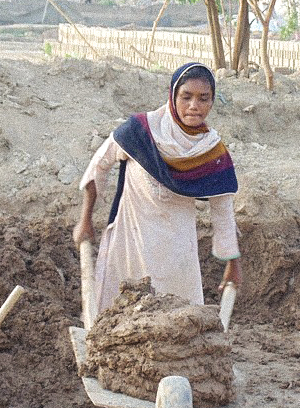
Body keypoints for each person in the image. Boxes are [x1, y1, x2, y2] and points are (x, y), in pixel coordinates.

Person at [72, 62, 243, 315]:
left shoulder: (211, 151)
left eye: (203, 98)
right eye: (186, 97)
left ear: (212, 101)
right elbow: (99, 165)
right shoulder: (141, 131)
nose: (194, 106)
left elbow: (223, 210)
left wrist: (233, 262)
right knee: (119, 312)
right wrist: (85, 219)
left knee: (180, 318)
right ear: (173, 97)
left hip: (177, 248)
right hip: (131, 237)